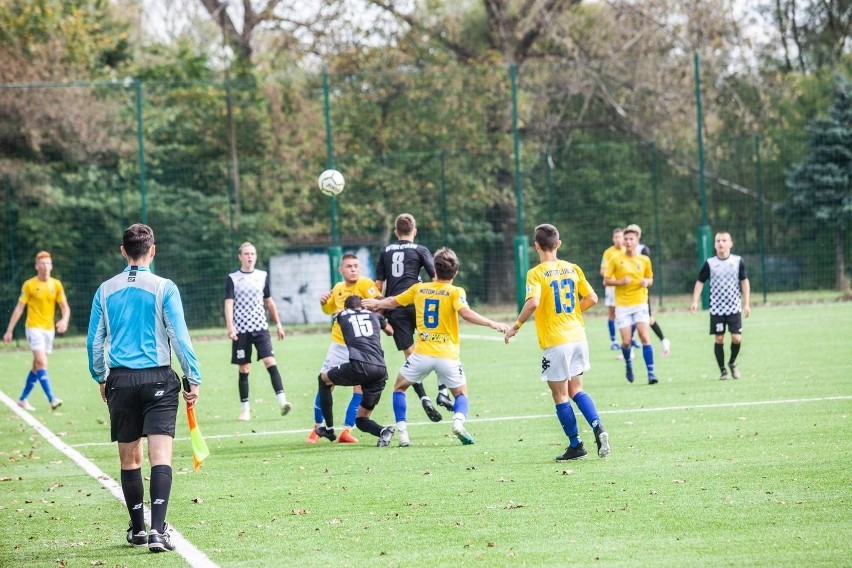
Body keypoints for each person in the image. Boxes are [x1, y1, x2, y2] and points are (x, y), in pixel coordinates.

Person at [86, 223, 201, 553]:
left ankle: (138, 529)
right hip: (158, 379)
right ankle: (157, 531)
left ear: (123, 251)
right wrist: (192, 375)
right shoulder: (165, 287)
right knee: (160, 455)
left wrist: (101, 376)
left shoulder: (105, 290)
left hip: (120, 380)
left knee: (129, 459)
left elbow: (95, 341)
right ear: (152, 250)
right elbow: (179, 336)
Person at [363, 247, 509, 446]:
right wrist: (493, 323)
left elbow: (393, 301)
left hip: (421, 355)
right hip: (447, 356)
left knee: (399, 389)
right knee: (461, 394)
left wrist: (374, 303)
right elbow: (466, 313)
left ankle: (403, 434)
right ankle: (458, 423)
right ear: (455, 272)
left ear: (434, 270)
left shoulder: (418, 289)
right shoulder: (456, 292)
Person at [506, 224, 610, 461]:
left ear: (536, 246)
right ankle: (598, 427)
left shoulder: (536, 273)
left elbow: (532, 303)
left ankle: (576, 445)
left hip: (556, 341)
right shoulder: (572, 268)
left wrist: (516, 326)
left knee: (561, 395)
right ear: (558, 244)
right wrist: (573, 312)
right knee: (577, 389)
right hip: (578, 337)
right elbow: (592, 298)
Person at [374, 213, 450, 423]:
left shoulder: (386, 251)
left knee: (411, 356)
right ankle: (442, 390)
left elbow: (378, 285)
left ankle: (424, 397)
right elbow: (436, 277)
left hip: (396, 307)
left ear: (396, 232)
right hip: (418, 303)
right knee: (435, 344)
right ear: (414, 231)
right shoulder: (419, 250)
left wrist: (380, 304)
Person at [306, 253, 382, 444]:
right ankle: (317, 428)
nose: (353, 269)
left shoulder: (365, 285)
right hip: (339, 345)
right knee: (326, 383)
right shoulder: (338, 288)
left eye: (356, 265)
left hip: (360, 346)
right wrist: (323, 303)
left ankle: (346, 431)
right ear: (341, 270)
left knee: (359, 388)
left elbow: (380, 304)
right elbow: (329, 310)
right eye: (349, 266)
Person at [314, 295, 396, 446]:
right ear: (363, 306)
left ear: (346, 308)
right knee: (361, 419)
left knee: (323, 379)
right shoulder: (375, 316)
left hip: (360, 366)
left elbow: (341, 316)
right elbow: (390, 332)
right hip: (380, 370)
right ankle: (384, 431)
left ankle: (330, 429)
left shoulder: (342, 315)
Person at [225, 242, 291, 421]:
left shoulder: (262, 276)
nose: (250, 257)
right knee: (244, 367)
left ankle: (283, 402)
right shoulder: (233, 278)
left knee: (270, 361)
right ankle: (245, 409)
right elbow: (229, 303)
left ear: (256, 256)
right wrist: (230, 326)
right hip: (242, 330)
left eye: (252, 254)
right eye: (246, 254)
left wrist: (278, 324)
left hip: (261, 328)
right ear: (240, 256)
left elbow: (269, 302)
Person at [3, 251, 70, 411]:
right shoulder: (29, 285)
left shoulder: (56, 284)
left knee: (36, 366)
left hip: (49, 330)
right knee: (42, 363)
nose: (45, 266)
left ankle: (22, 399)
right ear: (36, 266)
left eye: (48, 263)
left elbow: (65, 307)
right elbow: (20, 308)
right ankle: (52, 398)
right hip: (33, 328)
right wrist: (9, 330)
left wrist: (64, 320)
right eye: (42, 263)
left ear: (51, 266)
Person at [689, 231, 751, 380]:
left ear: (730, 243)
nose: (721, 243)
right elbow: (700, 282)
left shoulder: (737, 261)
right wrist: (695, 301)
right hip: (717, 308)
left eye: (724, 240)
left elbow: (744, 281)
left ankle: (732, 363)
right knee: (719, 339)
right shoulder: (710, 263)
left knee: (736, 338)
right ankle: (723, 370)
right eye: (718, 241)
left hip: (734, 307)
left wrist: (747, 303)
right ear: (715, 244)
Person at [603, 225, 658, 384]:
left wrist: (646, 282)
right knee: (626, 341)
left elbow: (650, 279)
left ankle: (651, 373)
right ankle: (628, 365)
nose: (628, 242)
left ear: (637, 240)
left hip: (640, 303)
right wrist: (620, 282)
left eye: (631, 239)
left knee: (644, 336)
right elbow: (606, 280)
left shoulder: (644, 259)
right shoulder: (615, 259)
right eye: (626, 239)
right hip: (623, 305)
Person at [628, 224, 671, 356]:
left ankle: (663, 340)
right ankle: (631, 347)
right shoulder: (623, 252)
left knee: (648, 319)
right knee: (635, 319)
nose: (629, 240)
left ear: (638, 236)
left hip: (641, 291)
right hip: (627, 292)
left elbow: (646, 271)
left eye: (633, 235)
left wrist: (643, 281)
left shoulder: (643, 250)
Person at [600, 228, 624, 352]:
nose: (619, 239)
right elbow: (603, 270)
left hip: (625, 289)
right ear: (613, 238)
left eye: (620, 237)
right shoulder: (608, 252)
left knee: (625, 313)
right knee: (612, 313)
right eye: (616, 237)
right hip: (612, 288)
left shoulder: (627, 251)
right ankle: (614, 340)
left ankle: (629, 338)